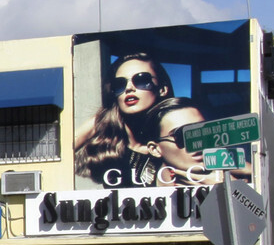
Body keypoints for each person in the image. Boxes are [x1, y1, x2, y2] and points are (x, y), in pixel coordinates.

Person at [73, 53, 207, 187]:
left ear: (162, 89)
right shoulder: (106, 143)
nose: (129, 88)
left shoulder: (175, 142)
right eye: (120, 84)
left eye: (142, 80)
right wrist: (99, 120)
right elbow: (59, 154)